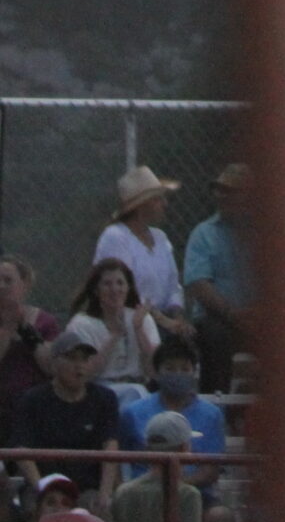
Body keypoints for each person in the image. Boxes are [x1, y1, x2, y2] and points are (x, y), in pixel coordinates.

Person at [12, 322, 121, 502]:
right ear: (54, 363)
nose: (79, 366)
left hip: (87, 489)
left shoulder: (105, 399)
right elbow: (22, 449)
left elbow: (110, 446)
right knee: (41, 509)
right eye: (72, 358)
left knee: (97, 511)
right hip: (44, 486)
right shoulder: (32, 399)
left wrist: (104, 494)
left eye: (84, 359)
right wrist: (42, 489)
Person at [116, 335, 227, 489]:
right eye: (170, 368)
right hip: (144, 494)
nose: (178, 374)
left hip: (195, 494)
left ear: (194, 372)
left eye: (184, 369)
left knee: (219, 514)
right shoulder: (133, 412)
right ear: (156, 372)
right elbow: (114, 456)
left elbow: (211, 469)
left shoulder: (212, 414)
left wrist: (178, 488)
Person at [182, 163, 254, 393]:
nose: (221, 196)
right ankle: (216, 406)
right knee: (215, 338)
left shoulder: (265, 235)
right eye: (219, 190)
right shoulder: (203, 233)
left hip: (257, 317)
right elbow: (198, 284)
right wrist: (232, 313)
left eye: (230, 191)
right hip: (217, 318)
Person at [92, 165, 189, 336]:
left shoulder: (161, 238)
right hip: (129, 322)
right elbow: (124, 292)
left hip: (164, 322)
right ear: (140, 206)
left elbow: (174, 287)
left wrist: (177, 319)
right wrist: (164, 322)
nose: (165, 204)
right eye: (158, 199)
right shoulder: (115, 237)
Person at [69, 260, 162, 394]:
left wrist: (139, 329)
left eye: (120, 283)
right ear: (96, 290)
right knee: (133, 392)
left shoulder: (142, 318)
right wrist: (114, 335)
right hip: (100, 388)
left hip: (140, 386)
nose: (114, 289)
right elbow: (86, 373)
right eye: (107, 284)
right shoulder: (82, 324)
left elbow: (153, 370)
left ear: (128, 287)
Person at [0, 255, 61, 445]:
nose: (1, 286)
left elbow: (51, 367)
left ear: (24, 284)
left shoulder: (45, 321)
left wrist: (26, 330)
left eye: (8, 280)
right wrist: (8, 329)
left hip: (35, 402)